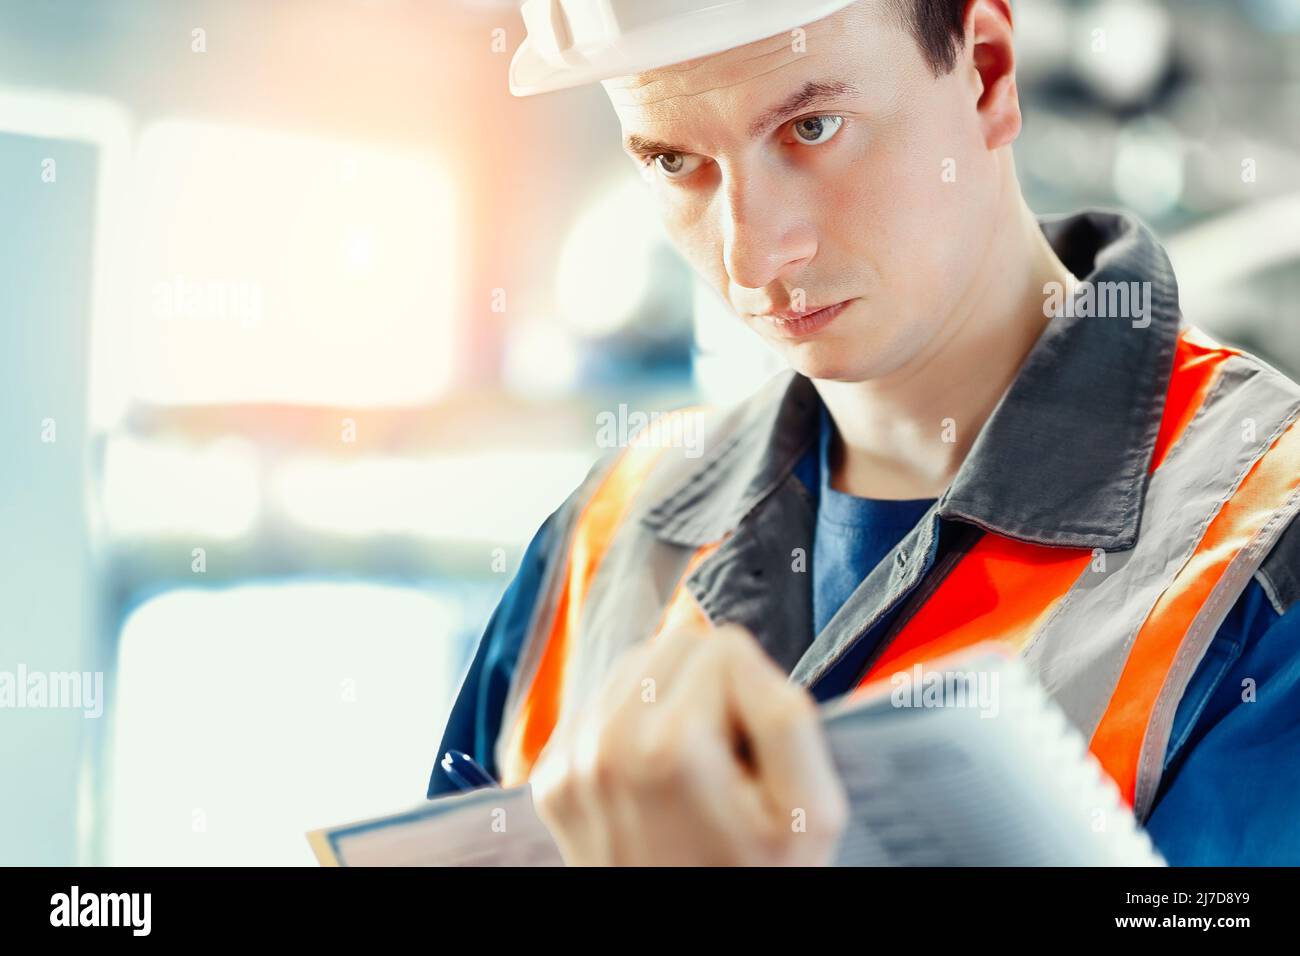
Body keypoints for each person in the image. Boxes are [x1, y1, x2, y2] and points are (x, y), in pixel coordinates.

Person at [428, 0, 1300, 865]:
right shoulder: (605, 535)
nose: (752, 257)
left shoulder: (1267, 541)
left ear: (986, 72)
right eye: (673, 159)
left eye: (811, 128)